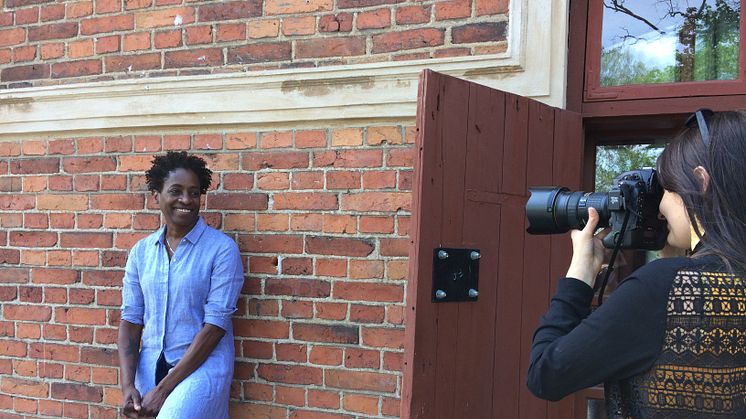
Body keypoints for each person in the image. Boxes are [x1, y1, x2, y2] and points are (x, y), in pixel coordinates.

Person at [527, 110, 746, 417]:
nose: (661, 206)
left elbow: (546, 374)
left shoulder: (662, 288)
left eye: (668, 189)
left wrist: (579, 274)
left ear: (700, 180)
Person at [118, 151, 244, 418]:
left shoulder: (221, 250)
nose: (186, 200)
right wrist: (128, 385)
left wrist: (163, 390)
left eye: (194, 192)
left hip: (201, 368)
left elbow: (215, 327)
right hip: (150, 365)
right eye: (176, 190)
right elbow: (131, 319)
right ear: (157, 196)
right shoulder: (141, 252)